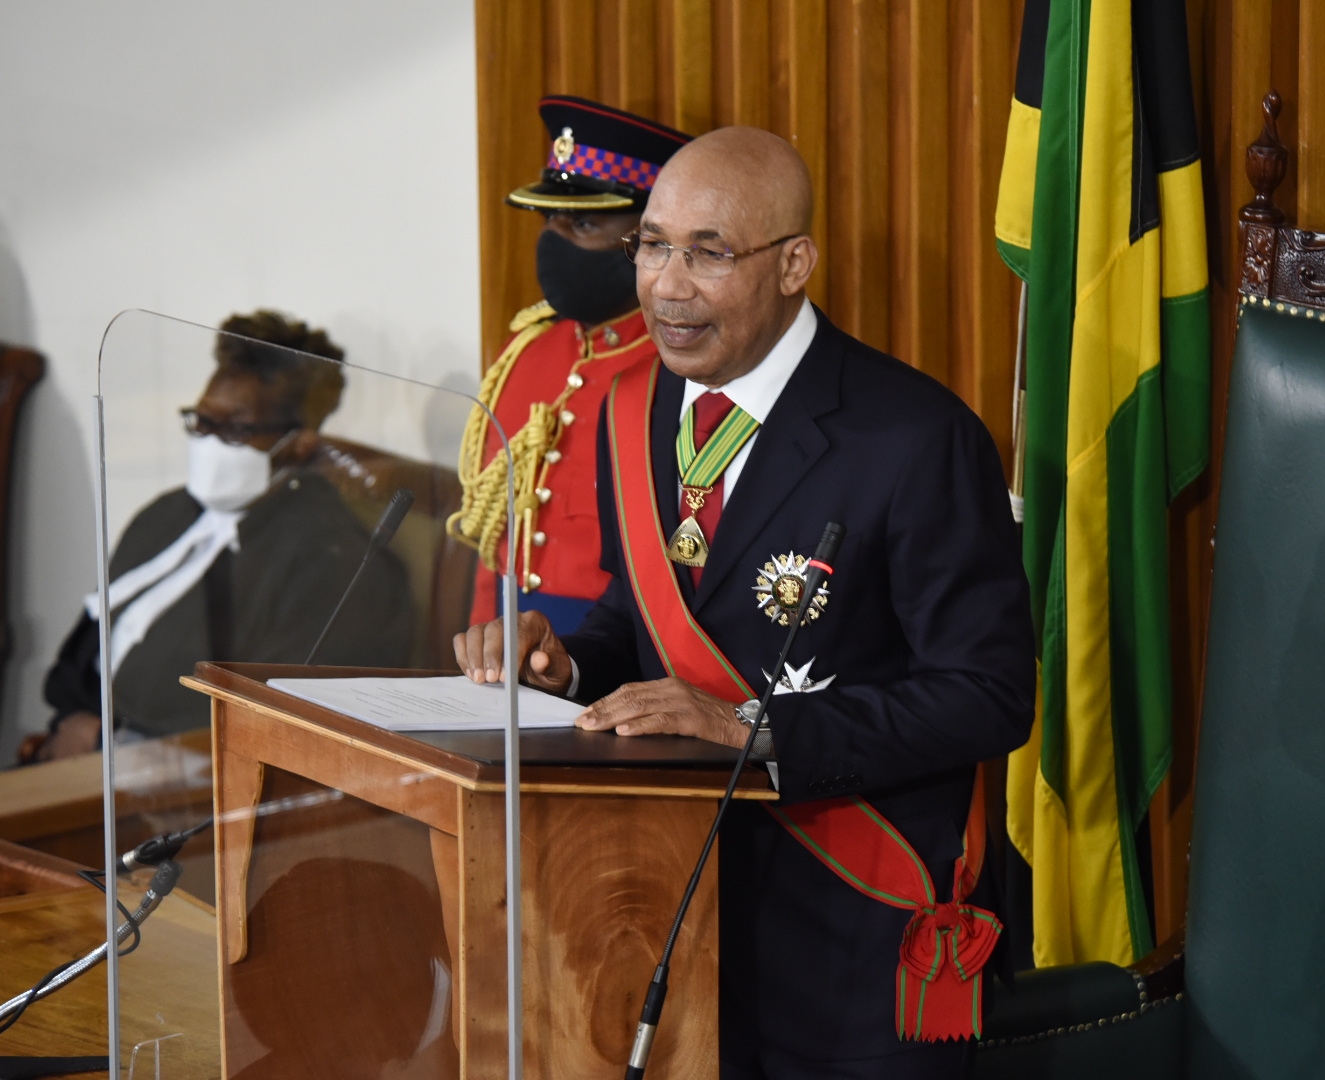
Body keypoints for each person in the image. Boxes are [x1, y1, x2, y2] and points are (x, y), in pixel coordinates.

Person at [455, 128, 1035, 1079]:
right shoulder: (631, 406)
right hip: (660, 905)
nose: (667, 285)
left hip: (848, 920)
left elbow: (990, 692)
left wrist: (751, 726)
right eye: (652, 244)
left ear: (795, 263)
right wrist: (567, 663)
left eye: (709, 253)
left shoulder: (914, 437)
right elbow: (633, 616)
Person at [27, 311, 412, 762]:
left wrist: (102, 743)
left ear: (300, 443)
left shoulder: (330, 560)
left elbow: (270, 732)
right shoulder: (169, 513)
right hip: (79, 761)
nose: (207, 443)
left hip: (177, 793)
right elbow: (84, 654)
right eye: (202, 422)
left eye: (233, 429)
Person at [448, 97, 691, 633]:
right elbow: (495, 536)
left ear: (649, 240)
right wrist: (480, 642)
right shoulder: (526, 352)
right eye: (550, 219)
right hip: (508, 641)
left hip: (625, 645)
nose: (556, 240)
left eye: (582, 224)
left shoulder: (683, 370)